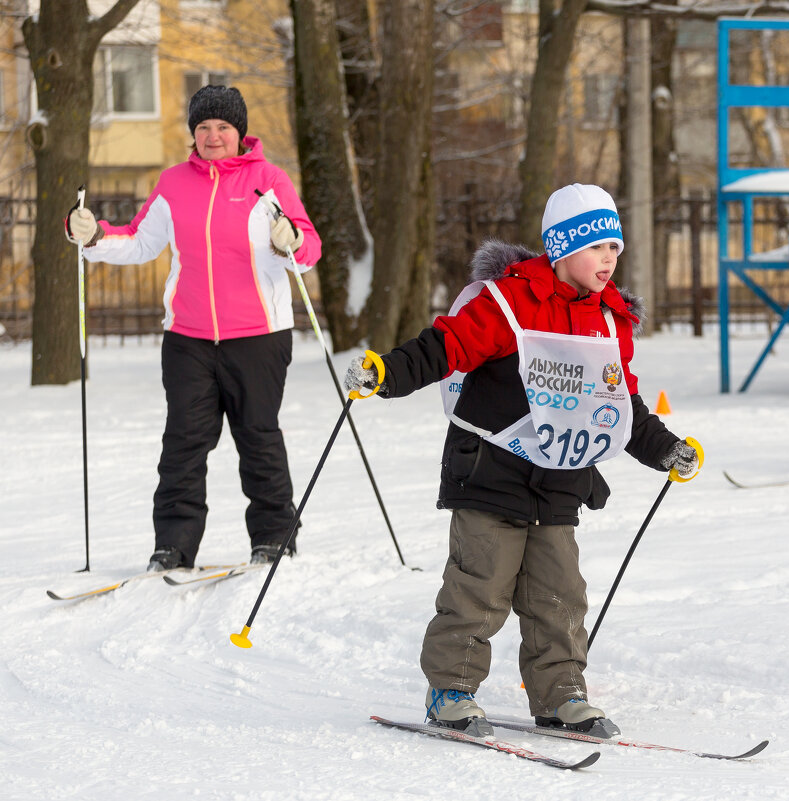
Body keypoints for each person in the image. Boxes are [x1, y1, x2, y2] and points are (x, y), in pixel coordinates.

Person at [343, 183, 701, 738]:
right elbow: (446, 347)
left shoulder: (610, 320)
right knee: (477, 587)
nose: (610, 260)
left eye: (615, 248)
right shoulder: (508, 303)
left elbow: (617, 405)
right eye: (596, 248)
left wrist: (663, 449)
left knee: (559, 597)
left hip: (558, 479)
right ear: (561, 249)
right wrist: (387, 373)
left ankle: (561, 694)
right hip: (491, 468)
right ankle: (452, 690)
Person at [63, 85, 321, 571]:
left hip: (258, 336)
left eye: (223, 127)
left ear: (240, 133)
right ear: (193, 134)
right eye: (203, 127)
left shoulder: (268, 181)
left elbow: (308, 250)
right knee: (183, 442)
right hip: (189, 338)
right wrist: (94, 235)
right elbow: (138, 242)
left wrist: (291, 240)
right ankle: (173, 546)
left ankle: (274, 536)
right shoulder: (174, 183)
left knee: (258, 437)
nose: (213, 135)